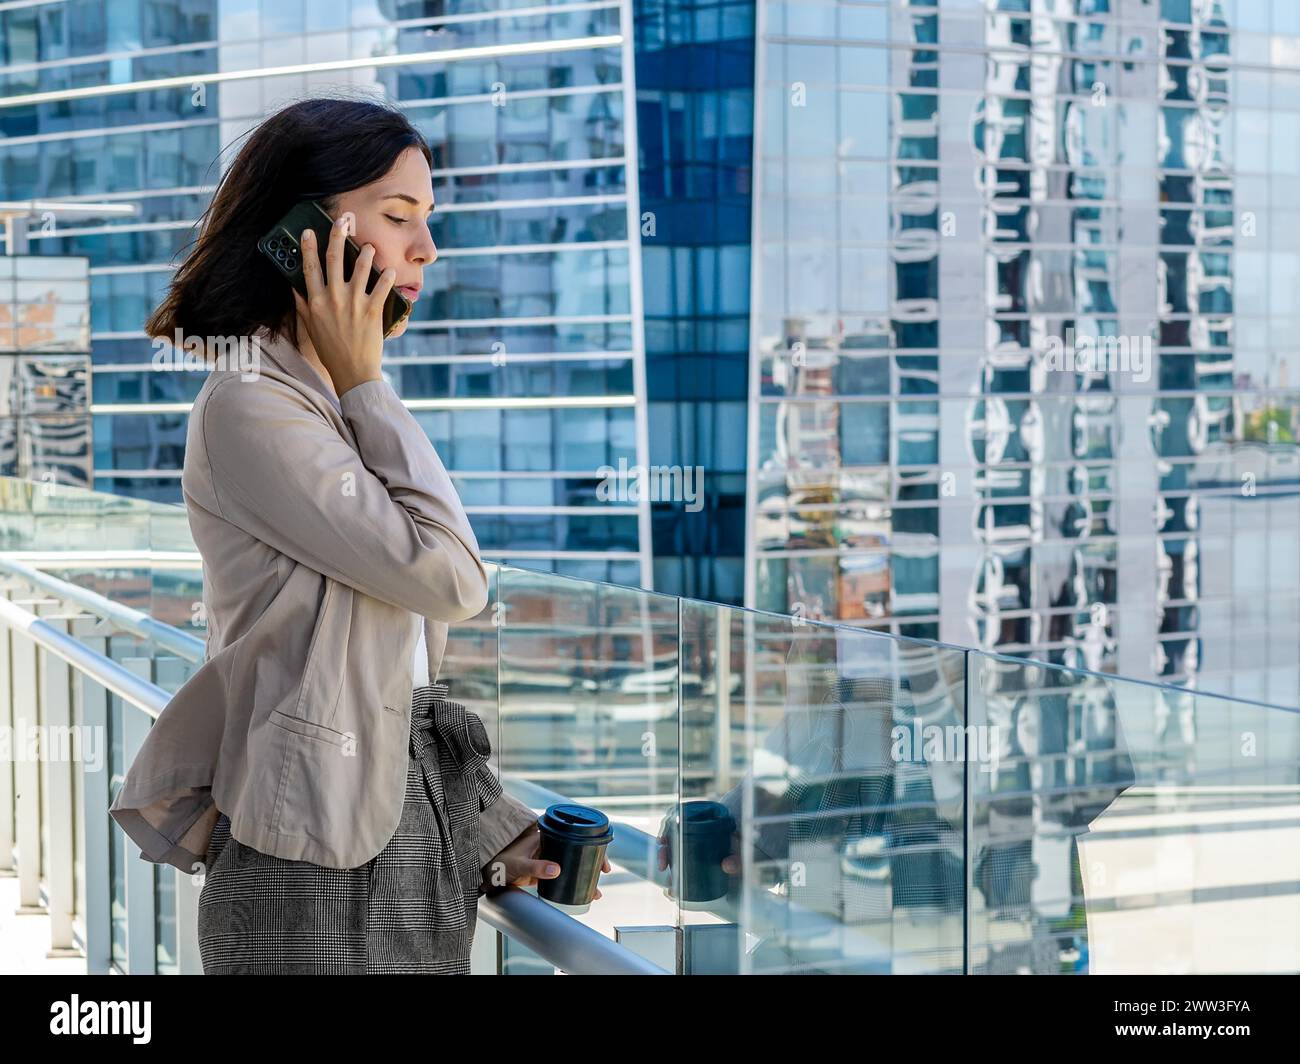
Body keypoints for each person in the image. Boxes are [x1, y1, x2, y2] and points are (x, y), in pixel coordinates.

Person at [109, 96, 607, 973]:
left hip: (400, 840)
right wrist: (368, 385)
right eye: (398, 215)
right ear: (303, 230)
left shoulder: (326, 401)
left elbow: (396, 676)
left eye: (429, 220)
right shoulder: (252, 404)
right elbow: (454, 577)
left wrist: (489, 829)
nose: (427, 248)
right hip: (310, 868)